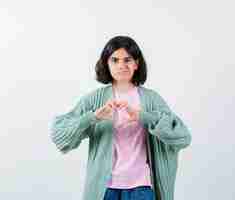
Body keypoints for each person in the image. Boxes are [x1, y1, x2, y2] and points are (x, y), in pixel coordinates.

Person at [50, 35, 192, 200]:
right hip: (105, 189)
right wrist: (93, 117)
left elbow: (182, 137)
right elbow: (59, 134)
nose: (121, 65)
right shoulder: (95, 99)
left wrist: (143, 116)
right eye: (115, 60)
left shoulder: (151, 99)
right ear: (106, 64)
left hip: (142, 187)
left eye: (127, 59)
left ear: (136, 63)